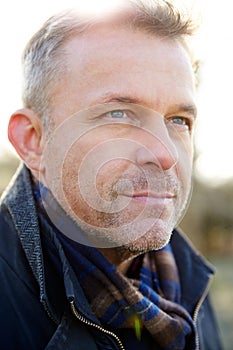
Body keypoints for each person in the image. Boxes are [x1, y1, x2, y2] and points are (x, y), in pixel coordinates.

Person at [0, 1, 223, 349]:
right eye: (118, 114)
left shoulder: (190, 284)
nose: (164, 154)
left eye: (178, 120)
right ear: (34, 141)